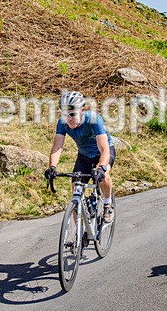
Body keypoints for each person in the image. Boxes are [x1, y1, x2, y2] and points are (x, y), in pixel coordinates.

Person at [45, 91, 115, 223]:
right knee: (76, 193)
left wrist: (102, 168)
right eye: (65, 115)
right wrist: (52, 166)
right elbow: (57, 147)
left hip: (102, 153)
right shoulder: (62, 123)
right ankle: (80, 234)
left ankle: (107, 204)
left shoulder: (94, 120)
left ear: (82, 110)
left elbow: (104, 149)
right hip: (84, 155)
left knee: (104, 176)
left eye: (72, 114)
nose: (69, 119)